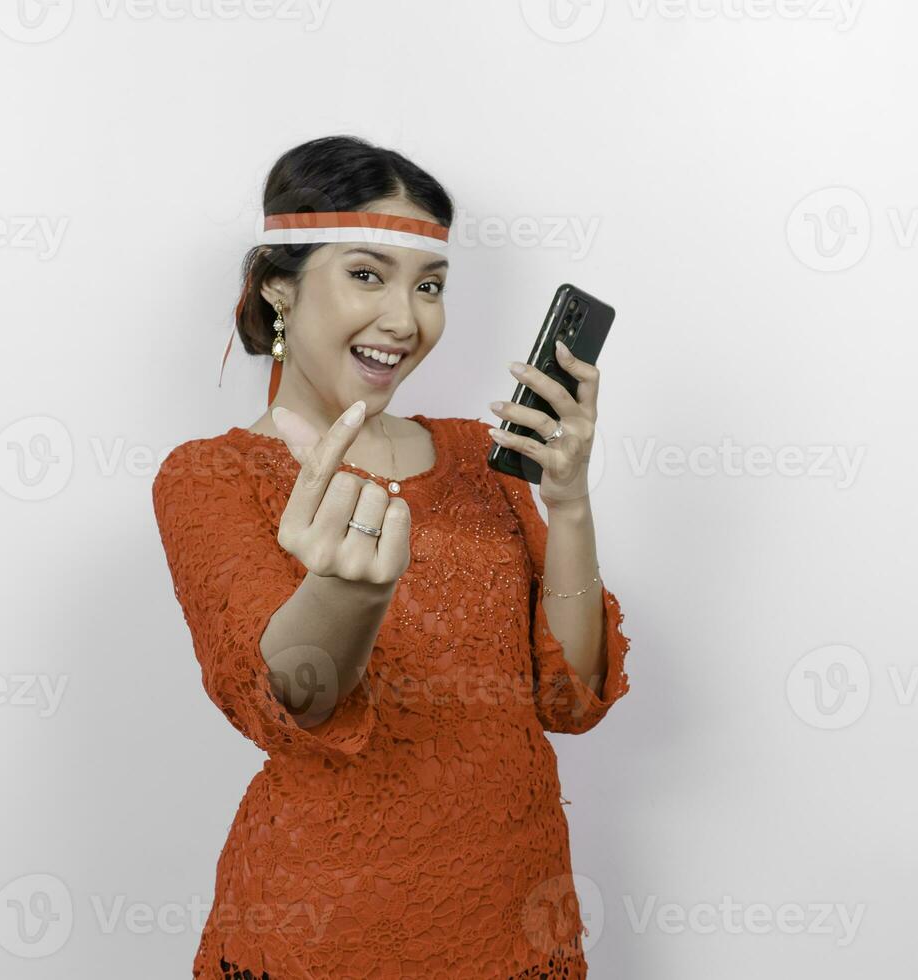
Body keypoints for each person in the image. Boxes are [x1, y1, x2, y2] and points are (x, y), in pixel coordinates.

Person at [151, 135, 632, 979]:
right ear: (278, 285)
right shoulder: (210, 477)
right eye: (366, 274)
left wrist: (570, 504)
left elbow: (569, 696)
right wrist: (344, 591)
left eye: (430, 286)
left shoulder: (477, 458)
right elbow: (291, 706)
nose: (406, 321)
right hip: (328, 930)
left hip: (518, 913)